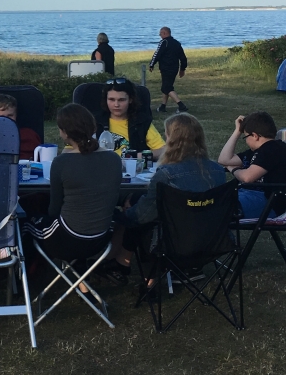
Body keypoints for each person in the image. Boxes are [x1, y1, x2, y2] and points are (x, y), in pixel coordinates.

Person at [109, 113, 226, 277]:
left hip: (174, 243)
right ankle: (123, 264)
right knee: (141, 204)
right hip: (214, 240)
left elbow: (142, 216)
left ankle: (126, 266)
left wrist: (118, 215)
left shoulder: (167, 174)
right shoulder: (218, 171)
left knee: (140, 217)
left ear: (171, 139)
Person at [23, 103, 122, 274]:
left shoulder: (62, 162)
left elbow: (54, 209)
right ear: (92, 127)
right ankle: (79, 270)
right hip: (101, 238)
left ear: (65, 132)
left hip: (68, 240)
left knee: (24, 222)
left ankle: (25, 276)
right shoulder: (114, 159)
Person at [218, 110, 286, 219]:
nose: (246, 141)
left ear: (254, 136)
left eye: (245, 137)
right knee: (214, 203)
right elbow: (224, 159)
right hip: (247, 196)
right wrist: (237, 131)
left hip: (267, 201)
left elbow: (247, 178)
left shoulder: (274, 148)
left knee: (217, 208)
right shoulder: (254, 152)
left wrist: (234, 170)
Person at [95, 78, 165, 160]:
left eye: (121, 100)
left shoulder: (141, 123)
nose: (116, 104)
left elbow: (163, 150)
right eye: (111, 99)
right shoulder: (95, 122)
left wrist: (139, 156)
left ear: (130, 100)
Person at [0, 93, 42, 161]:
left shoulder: (29, 136)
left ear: (16, 115)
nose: (6, 120)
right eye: (1, 117)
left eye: (10, 116)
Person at [150, 27, 188, 113]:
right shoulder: (176, 43)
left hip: (166, 68)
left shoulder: (164, 42)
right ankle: (163, 106)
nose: (159, 35)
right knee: (167, 86)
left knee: (166, 87)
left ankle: (181, 105)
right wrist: (182, 68)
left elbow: (157, 54)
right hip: (174, 68)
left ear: (164, 33)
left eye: (160, 33)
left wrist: (152, 64)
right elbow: (183, 57)